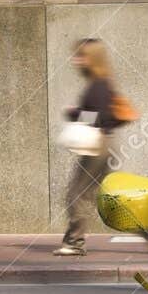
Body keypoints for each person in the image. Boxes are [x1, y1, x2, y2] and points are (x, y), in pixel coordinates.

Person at [57, 38, 122, 256]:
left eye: (81, 56)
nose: (76, 60)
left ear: (92, 59)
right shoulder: (103, 83)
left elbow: (101, 117)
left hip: (98, 145)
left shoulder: (98, 86)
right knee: (97, 196)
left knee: (76, 194)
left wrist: (74, 112)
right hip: (104, 144)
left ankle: (74, 242)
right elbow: (111, 117)